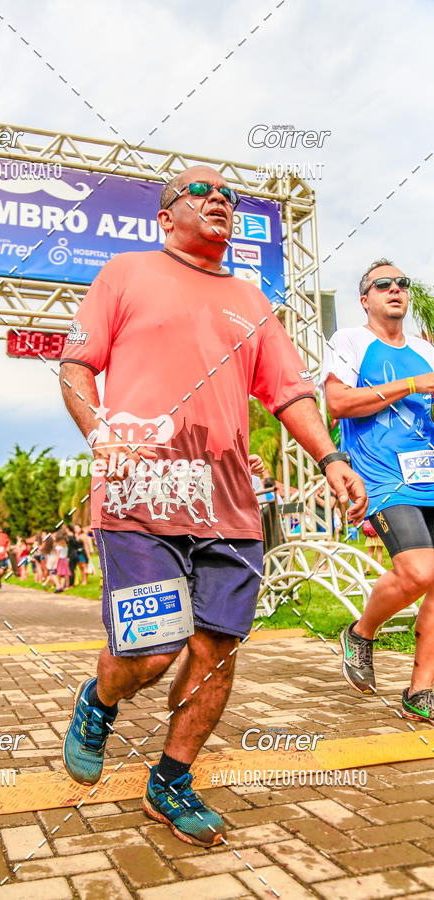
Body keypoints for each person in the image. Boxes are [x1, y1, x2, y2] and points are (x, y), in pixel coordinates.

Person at [59, 165, 367, 847]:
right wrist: (100, 431)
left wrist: (332, 458)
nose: (219, 199)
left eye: (228, 193)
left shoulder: (253, 301)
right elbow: (75, 366)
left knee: (217, 653)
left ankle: (171, 781)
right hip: (141, 495)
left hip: (228, 507)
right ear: (165, 217)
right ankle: (100, 699)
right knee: (153, 647)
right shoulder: (124, 274)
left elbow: (289, 393)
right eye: (201, 192)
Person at [322, 258, 434, 721]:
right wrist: (412, 384)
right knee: (421, 571)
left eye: (402, 283)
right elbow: (338, 403)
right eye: (382, 284)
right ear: (364, 298)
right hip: (386, 479)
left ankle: (420, 692)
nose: (395, 289)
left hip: (429, 474)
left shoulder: (427, 349)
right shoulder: (350, 341)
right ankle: (362, 632)